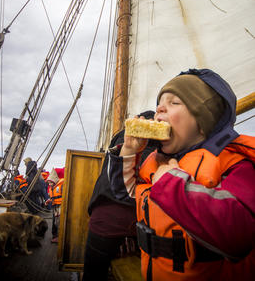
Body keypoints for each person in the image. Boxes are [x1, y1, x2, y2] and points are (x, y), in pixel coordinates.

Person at [107, 68, 255, 281]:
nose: (158, 109)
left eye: (174, 103)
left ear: (204, 121)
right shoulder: (156, 163)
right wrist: (129, 151)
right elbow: (125, 194)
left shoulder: (235, 165)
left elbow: (238, 236)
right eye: (159, 105)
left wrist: (169, 184)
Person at [82, 110, 160, 281]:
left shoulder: (123, 136)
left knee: (94, 272)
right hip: (145, 220)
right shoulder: (164, 144)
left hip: (106, 219)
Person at [46, 168, 64, 243]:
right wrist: (49, 200)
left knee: (59, 222)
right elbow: (53, 197)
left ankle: (60, 237)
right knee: (55, 222)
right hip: (55, 206)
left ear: (54, 181)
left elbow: (64, 196)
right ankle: (56, 236)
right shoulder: (52, 188)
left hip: (60, 206)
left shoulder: (61, 186)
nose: (49, 184)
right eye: (48, 183)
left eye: (50, 183)